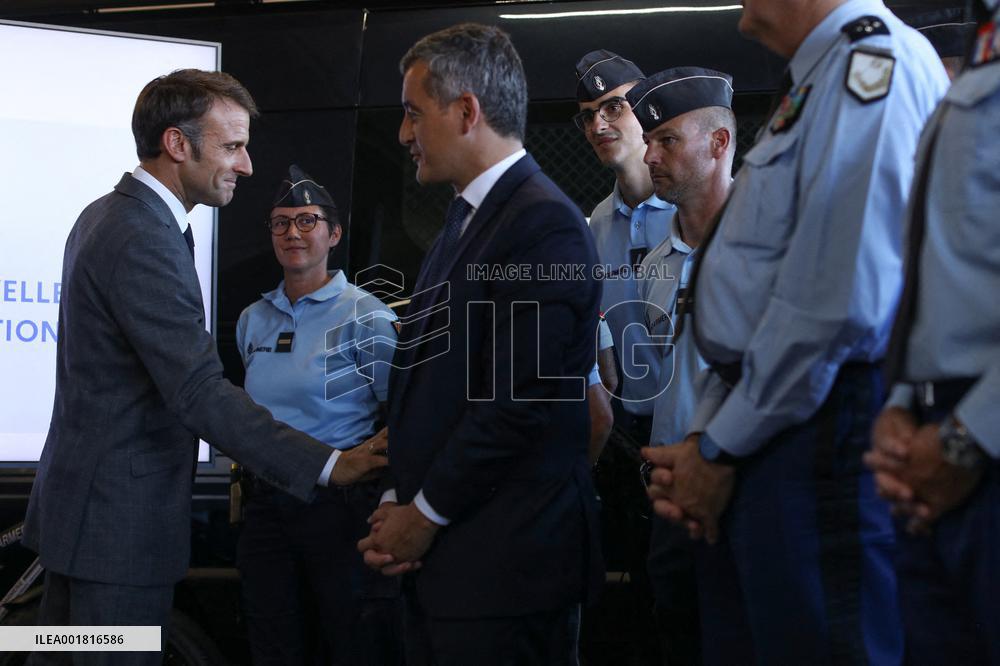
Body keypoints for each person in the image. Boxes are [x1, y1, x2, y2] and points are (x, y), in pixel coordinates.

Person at [21, 70, 385, 665]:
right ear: (177, 143)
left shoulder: (107, 214)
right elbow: (196, 390)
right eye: (232, 146)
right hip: (117, 532)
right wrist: (330, 464)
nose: (246, 166)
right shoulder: (141, 233)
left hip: (90, 521)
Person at [643, 0, 949, 663]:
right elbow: (759, 302)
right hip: (775, 424)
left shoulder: (874, 66)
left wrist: (719, 447)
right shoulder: (820, 78)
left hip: (822, 426)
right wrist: (707, 440)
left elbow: (841, 305)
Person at [357, 23, 603, 666]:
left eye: (414, 113)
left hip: (507, 573)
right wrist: (397, 496)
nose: (403, 133)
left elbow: (518, 403)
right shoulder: (462, 222)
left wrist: (422, 515)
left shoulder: (544, 223)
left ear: (467, 112)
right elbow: (427, 382)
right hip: (454, 570)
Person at [866, 1, 1000, 661]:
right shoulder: (981, 54)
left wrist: (966, 439)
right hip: (932, 434)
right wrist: (901, 403)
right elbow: (941, 269)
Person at [234, 165, 401, 666]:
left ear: (335, 234)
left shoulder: (366, 315)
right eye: (281, 223)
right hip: (266, 505)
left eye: (307, 221)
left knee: (348, 642)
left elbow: (401, 415)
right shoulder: (252, 319)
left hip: (338, 506)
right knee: (274, 643)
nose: (293, 233)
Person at [629, 66, 736, 666]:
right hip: (672, 496)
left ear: (719, 143)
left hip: (742, 486)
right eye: (649, 141)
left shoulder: (770, 241)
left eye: (667, 139)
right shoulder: (654, 265)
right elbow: (651, 390)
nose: (650, 155)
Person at [573, 49, 675, 441]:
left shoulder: (694, 207)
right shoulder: (597, 223)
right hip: (630, 428)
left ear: (647, 109)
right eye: (588, 116)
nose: (598, 125)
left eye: (613, 107)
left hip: (699, 427)